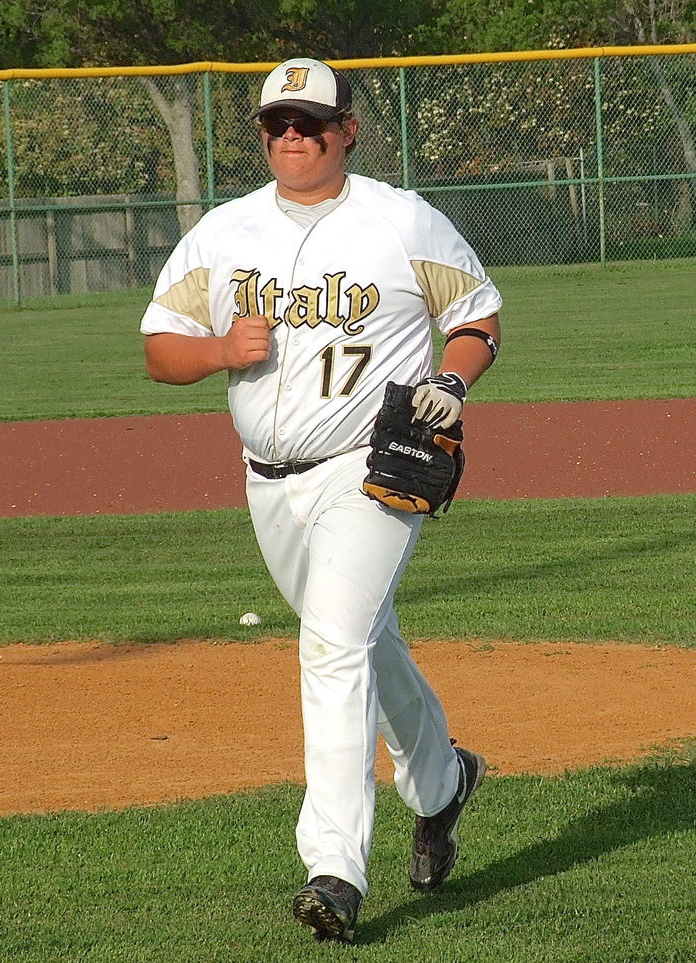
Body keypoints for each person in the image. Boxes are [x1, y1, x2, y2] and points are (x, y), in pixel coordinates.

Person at [139, 56, 502, 944]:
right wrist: (223, 350)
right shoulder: (223, 234)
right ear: (261, 134)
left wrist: (451, 382)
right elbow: (158, 346)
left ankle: (334, 868)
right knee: (365, 643)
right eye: (278, 124)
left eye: (311, 122)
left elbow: (478, 316)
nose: (294, 137)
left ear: (348, 130)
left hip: (367, 469)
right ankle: (444, 781)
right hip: (267, 480)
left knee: (330, 644)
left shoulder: (400, 219)